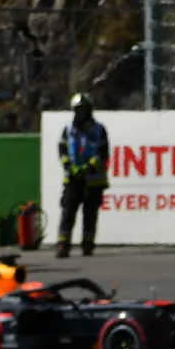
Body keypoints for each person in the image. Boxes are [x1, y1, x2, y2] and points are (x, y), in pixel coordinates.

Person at [56, 93, 110, 258]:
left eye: (84, 109)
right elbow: (62, 150)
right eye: (78, 109)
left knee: (90, 214)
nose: (81, 113)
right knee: (68, 213)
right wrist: (69, 167)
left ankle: (87, 245)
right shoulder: (68, 129)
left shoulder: (99, 130)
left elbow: (103, 153)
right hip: (72, 179)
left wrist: (87, 167)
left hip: (93, 180)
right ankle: (63, 245)